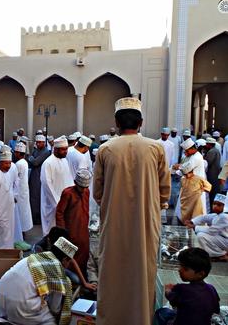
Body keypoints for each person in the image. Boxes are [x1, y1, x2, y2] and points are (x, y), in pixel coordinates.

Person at [93, 97, 171, 325]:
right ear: (141, 122)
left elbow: (98, 192)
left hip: (114, 223)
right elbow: (164, 191)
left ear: (116, 122)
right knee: (143, 272)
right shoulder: (155, 148)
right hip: (146, 223)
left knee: (112, 272)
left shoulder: (106, 149)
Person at [0, 236, 75, 325]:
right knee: (51, 320)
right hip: (19, 307)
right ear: (65, 259)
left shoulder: (34, 257)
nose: (68, 265)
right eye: (69, 262)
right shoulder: (57, 269)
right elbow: (55, 308)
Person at [154, 247, 220, 325]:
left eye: (185, 269)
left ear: (200, 274)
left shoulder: (182, 289)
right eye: (180, 265)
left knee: (162, 312)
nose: (180, 270)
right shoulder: (211, 289)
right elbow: (216, 310)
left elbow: (172, 301)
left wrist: (167, 291)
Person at [56, 169, 92, 274]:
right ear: (75, 183)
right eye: (81, 187)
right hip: (70, 230)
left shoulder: (87, 192)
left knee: (85, 253)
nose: (83, 190)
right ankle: (71, 279)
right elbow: (59, 213)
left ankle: (83, 278)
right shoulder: (68, 193)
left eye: (85, 187)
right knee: (69, 255)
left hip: (83, 230)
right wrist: (62, 232)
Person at [40, 136, 74, 236]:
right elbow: (47, 185)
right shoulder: (48, 163)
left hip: (64, 203)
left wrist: (71, 198)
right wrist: (57, 203)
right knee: (51, 230)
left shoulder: (65, 161)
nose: (66, 152)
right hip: (52, 204)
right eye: (63, 149)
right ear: (56, 149)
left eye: (66, 149)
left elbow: (69, 180)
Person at [185, 194, 228, 261]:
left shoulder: (224, 217)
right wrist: (192, 222)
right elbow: (204, 217)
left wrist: (194, 227)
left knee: (201, 236)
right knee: (201, 234)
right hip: (223, 240)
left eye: (219, 205)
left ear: (225, 206)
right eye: (214, 204)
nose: (215, 206)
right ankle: (217, 254)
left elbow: (211, 231)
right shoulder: (217, 215)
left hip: (225, 241)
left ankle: (221, 255)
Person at [174, 138, 208, 216]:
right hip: (189, 185)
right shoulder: (192, 156)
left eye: (187, 151)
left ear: (192, 149)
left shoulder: (196, 157)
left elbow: (186, 169)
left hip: (195, 186)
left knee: (196, 208)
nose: (186, 153)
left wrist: (178, 167)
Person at [28, 134, 51, 225]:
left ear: (44, 143)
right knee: (33, 196)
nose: (38, 144)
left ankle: (38, 218)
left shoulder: (46, 152)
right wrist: (32, 159)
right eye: (37, 142)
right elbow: (31, 161)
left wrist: (31, 158)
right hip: (34, 175)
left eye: (40, 142)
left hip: (39, 176)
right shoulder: (36, 150)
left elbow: (36, 162)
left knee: (37, 197)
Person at [14, 142, 33, 235]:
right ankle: (23, 229)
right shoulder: (24, 162)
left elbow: (15, 179)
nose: (14, 154)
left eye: (15, 152)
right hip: (24, 189)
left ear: (18, 153)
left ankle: (20, 231)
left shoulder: (18, 164)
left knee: (20, 211)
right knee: (24, 210)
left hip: (19, 191)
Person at [204, 137, 221, 206]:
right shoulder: (216, 150)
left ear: (209, 144)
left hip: (212, 174)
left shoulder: (211, 151)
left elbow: (207, 163)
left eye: (206, 144)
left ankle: (212, 206)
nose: (205, 145)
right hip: (215, 174)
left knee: (212, 191)